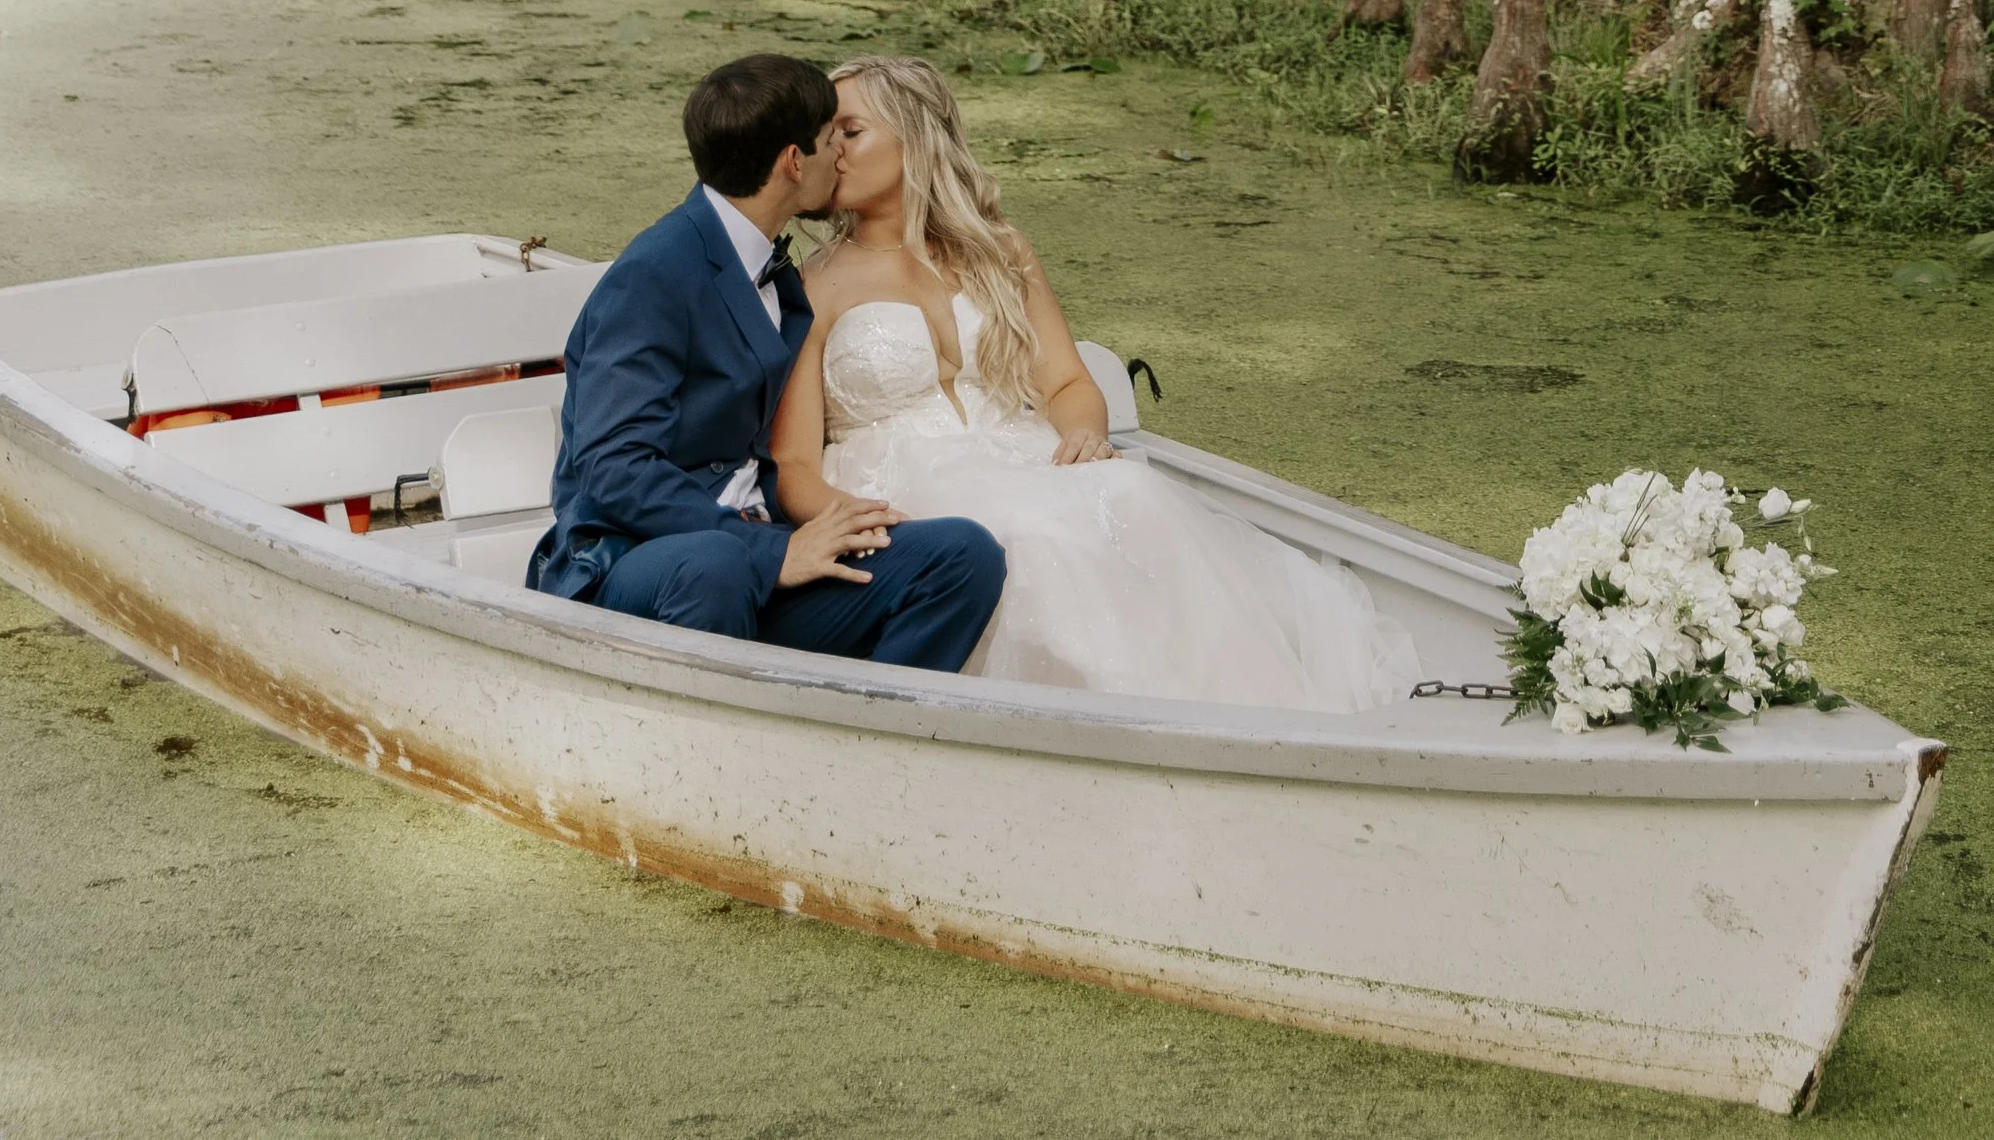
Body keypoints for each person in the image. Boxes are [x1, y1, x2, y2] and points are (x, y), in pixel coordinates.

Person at [770, 55, 1418, 710]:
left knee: (1134, 491)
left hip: (1016, 453)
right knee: (1029, 534)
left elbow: (1068, 383)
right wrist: (848, 521)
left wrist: (1083, 432)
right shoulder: (813, 285)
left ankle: (1220, 715)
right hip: (893, 490)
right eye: (825, 134)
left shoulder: (1001, 251)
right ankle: (1105, 718)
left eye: (849, 131)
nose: (829, 151)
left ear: (916, 136)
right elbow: (791, 462)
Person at [528, 50, 1005, 668]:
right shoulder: (653, 273)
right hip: (635, 562)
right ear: (792, 162)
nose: (843, 154)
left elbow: (762, 450)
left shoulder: (776, 276)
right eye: (832, 139)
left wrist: (838, 518)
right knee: (714, 563)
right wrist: (766, 552)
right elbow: (613, 468)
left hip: (756, 550)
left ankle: (868, 734)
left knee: (960, 552)